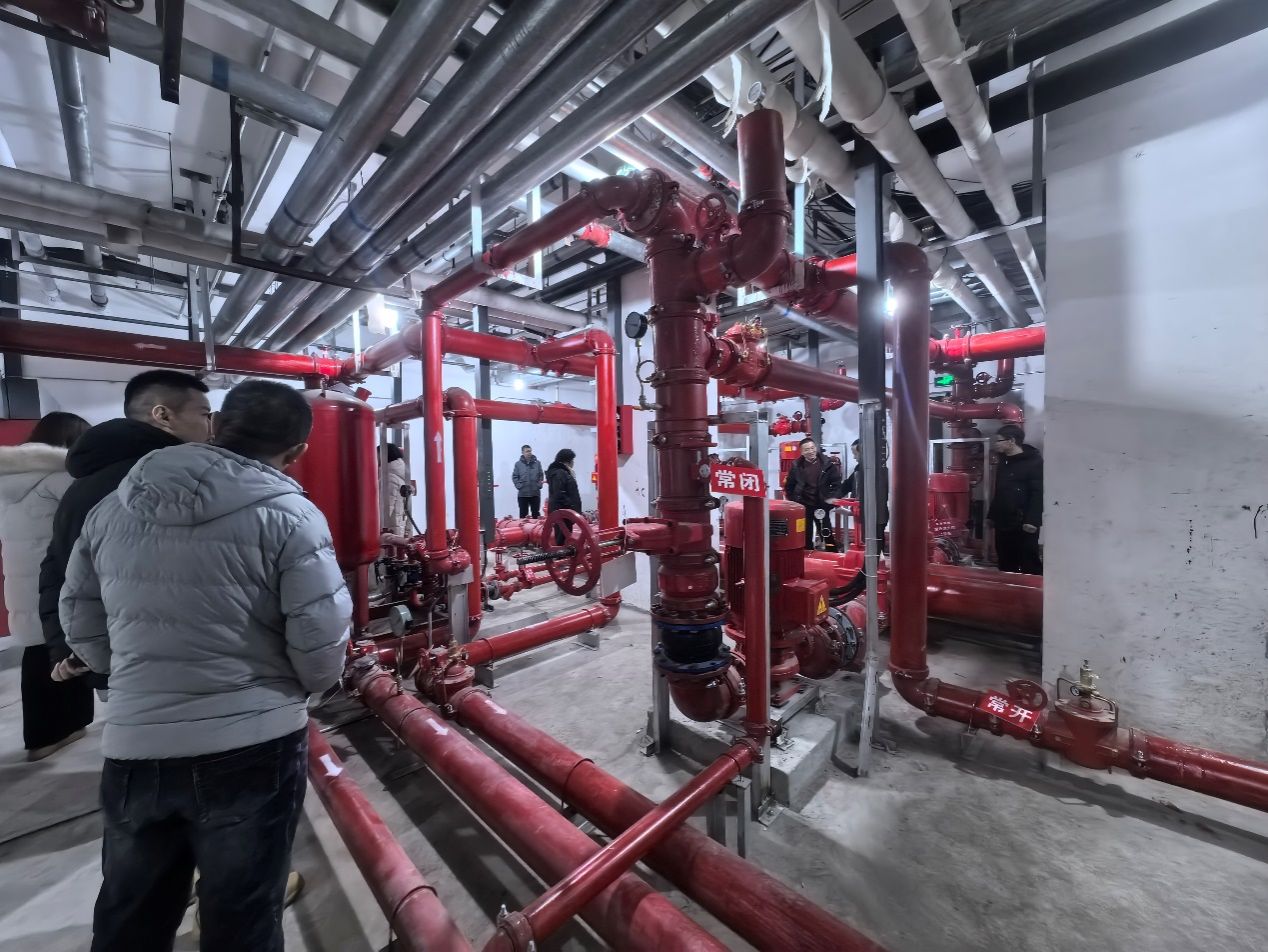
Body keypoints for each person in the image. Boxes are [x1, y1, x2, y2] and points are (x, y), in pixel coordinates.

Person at [60, 379, 351, 952]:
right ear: (298, 451)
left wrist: (136, 680)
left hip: (137, 744)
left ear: (216, 426)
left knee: (130, 916)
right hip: (254, 743)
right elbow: (321, 636)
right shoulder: (293, 515)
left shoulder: (112, 508)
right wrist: (306, 688)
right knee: (243, 916)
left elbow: (80, 619)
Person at [0, 411, 90, 760]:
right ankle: (48, 736)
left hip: (23, 581)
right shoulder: (61, 478)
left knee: (40, 654)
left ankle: (55, 732)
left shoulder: (9, 482)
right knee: (65, 652)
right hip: (57, 579)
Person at [988, 423, 1043, 575]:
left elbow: (1038, 493)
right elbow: (1000, 491)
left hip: (1023, 522)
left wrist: (1032, 520)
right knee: (1005, 560)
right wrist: (991, 516)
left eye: (999, 440)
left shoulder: (1034, 462)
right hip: (1003, 521)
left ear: (1011, 441)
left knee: (1028, 561)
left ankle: (1031, 589)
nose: (996, 444)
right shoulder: (1004, 461)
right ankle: (1008, 587)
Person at [783, 437, 844, 551]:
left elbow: (837, 484)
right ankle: (806, 556)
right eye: (807, 449)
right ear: (802, 452)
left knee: (827, 534)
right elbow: (789, 486)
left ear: (815, 448)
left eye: (812, 448)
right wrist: (794, 501)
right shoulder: (796, 466)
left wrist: (831, 501)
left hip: (821, 505)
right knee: (805, 534)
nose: (811, 451)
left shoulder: (827, 464)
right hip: (804, 506)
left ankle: (832, 554)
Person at [842, 437, 890, 547]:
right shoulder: (858, 469)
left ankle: (877, 556)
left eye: (856, 454)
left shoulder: (878, 470)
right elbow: (847, 486)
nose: (854, 457)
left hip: (876, 516)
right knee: (866, 543)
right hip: (864, 514)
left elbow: (878, 496)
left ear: (865, 453)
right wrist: (832, 498)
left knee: (876, 544)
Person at [546, 449, 583, 543]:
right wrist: (571, 506)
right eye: (572, 460)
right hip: (563, 512)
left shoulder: (562, 472)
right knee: (562, 538)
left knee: (564, 536)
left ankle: (562, 551)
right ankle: (560, 552)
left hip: (564, 511)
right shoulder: (560, 473)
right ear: (567, 461)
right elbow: (559, 493)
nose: (573, 463)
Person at [380, 443, 411, 535]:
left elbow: (385, 508)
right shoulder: (398, 476)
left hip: (388, 532)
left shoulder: (390, 478)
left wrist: (374, 529)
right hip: (396, 529)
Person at [512, 444, 544, 518]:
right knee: (523, 515)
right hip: (523, 494)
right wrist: (519, 486)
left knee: (536, 514)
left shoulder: (537, 463)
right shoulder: (518, 464)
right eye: (527, 451)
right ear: (522, 452)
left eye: (530, 451)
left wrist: (539, 485)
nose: (529, 453)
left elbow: (541, 475)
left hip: (535, 493)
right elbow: (515, 476)